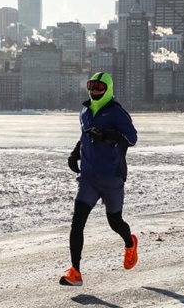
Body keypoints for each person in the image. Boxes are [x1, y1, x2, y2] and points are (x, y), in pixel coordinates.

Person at [59, 72, 139, 287]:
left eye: (99, 87)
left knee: (115, 222)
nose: (95, 91)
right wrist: (75, 154)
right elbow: (84, 135)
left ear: (108, 89)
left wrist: (109, 136)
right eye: (91, 86)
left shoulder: (116, 113)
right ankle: (75, 272)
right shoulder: (85, 111)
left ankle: (130, 242)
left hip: (112, 178)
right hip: (88, 179)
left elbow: (132, 138)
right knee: (77, 223)